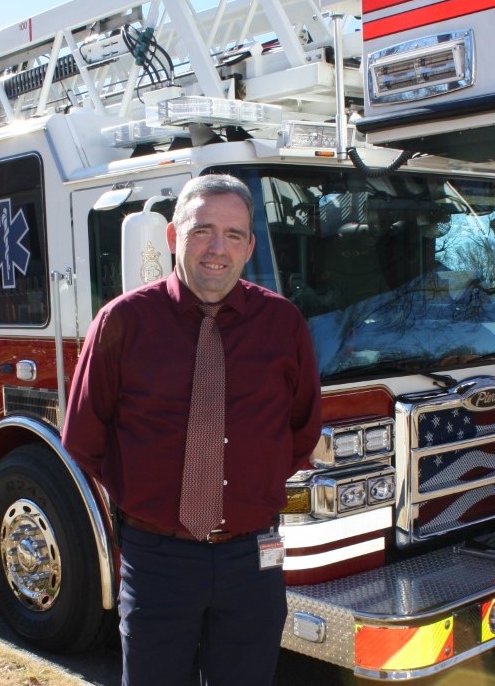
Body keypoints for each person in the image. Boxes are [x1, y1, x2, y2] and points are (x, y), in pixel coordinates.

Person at [62, 173, 322, 686]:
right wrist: (153, 502)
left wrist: (246, 487)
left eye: (232, 235)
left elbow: (301, 429)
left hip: (254, 560)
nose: (216, 249)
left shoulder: (283, 325)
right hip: (157, 560)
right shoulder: (121, 323)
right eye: (202, 230)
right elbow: (85, 439)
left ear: (250, 246)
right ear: (172, 236)